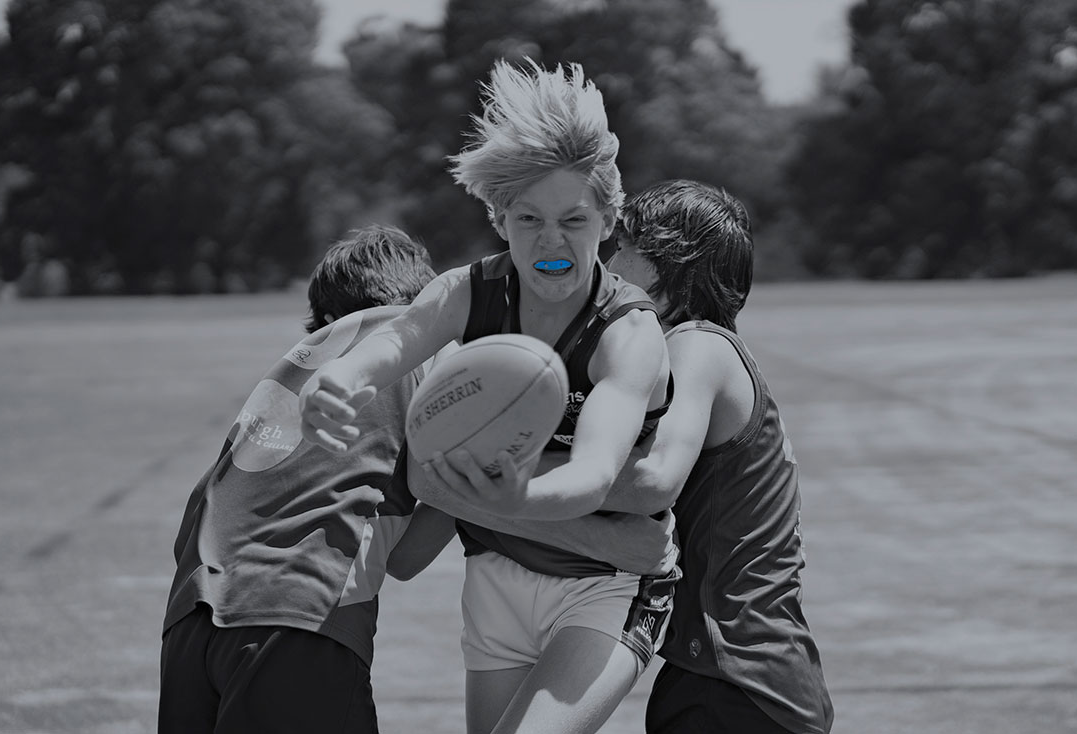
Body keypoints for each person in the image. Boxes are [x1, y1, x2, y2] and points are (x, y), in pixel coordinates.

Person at [301, 60, 678, 734]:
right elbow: (402, 338)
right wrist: (342, 378)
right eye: (528, 218)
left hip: (607, 586)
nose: (551, 240)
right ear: (499, 220)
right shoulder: (466, 292)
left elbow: (595, 471)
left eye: (573, 218)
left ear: (608, 221)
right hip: (495, 582)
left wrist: (512, 501)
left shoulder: (629, 334)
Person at [158, 225, 445, 734]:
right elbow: (407, 558)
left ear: (328, 320)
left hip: (191, 617)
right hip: (299, 619)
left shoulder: (293, 370)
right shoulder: (420, 348)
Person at [602, 180, 835, 733]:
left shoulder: (697, 345)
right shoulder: (705, 351)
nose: (609, 260)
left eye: (623, 245)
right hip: (742, 679)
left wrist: (513, 478)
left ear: (668, 262)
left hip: (734, 682)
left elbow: (652, 481)